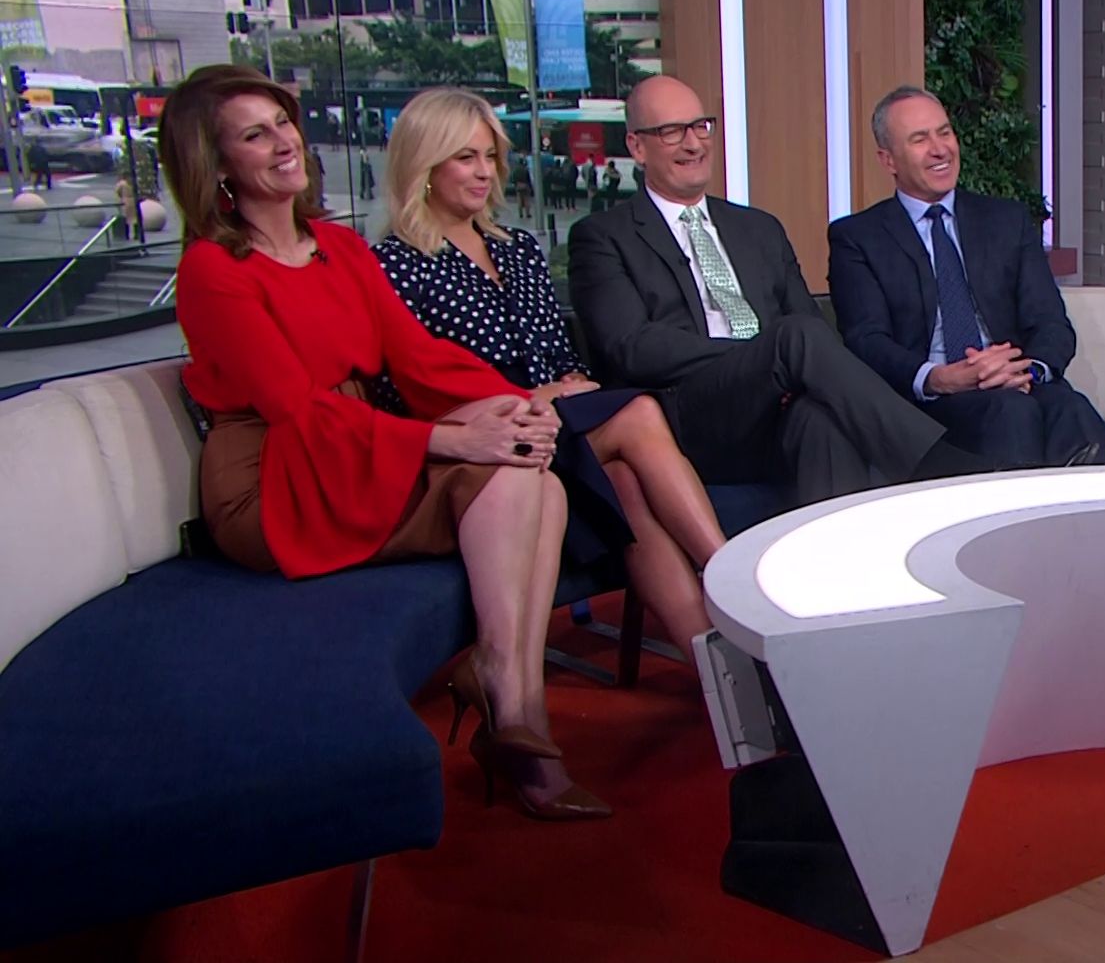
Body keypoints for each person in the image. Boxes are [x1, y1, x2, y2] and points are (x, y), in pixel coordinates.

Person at [161, 65, 608, 822]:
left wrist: (513, 407)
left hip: (359, 442)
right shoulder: (211, 269)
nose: (284, 144)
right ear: (218, 165)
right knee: (512, 473)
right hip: (276, 474)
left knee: (535, 473)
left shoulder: (338, 247)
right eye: (255, 135)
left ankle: (515, 699)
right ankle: (515, 710)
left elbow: (418, 358)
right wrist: (452, 437)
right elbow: (295, 409)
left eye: (284, 123)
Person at [372, 87, 722, 662]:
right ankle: (727, 573)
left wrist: (570, 380)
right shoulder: (394, 264)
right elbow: (403, 390)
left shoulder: (518, 250)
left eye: (491, 157)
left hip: (558, 420)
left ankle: (717, 669)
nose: (484, 172)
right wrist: (535, 395)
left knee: (626, 485)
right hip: (481, 440)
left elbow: (558, 354)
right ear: (425, 166)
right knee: (637, 412)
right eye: (466, 158)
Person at [568, 74, 999, 503]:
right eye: (671, 132)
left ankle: (844, 548)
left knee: (821, 421)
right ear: (637, 147)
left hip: (775, 408)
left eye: (701, 126)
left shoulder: (759, 228)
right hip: (687, 415)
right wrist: (762, 356)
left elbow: (812, 329)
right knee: (793, 338)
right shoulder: (603, 236)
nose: (694, 144)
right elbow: (630, 347)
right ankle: (937, 465)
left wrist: (773, 364)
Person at [828, 86, 1105, 468]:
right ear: (888, 160)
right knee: (1012, 412)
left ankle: (1092, 509)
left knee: (1072, 409)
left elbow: (1050, 322)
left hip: (1012, 381)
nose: (940, 149)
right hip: (928, 405)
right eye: (920, 139)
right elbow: (866, 340)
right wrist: (940, 377)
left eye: (944, 133)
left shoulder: (1006, 220)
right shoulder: (858, 237)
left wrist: (1025, 370)